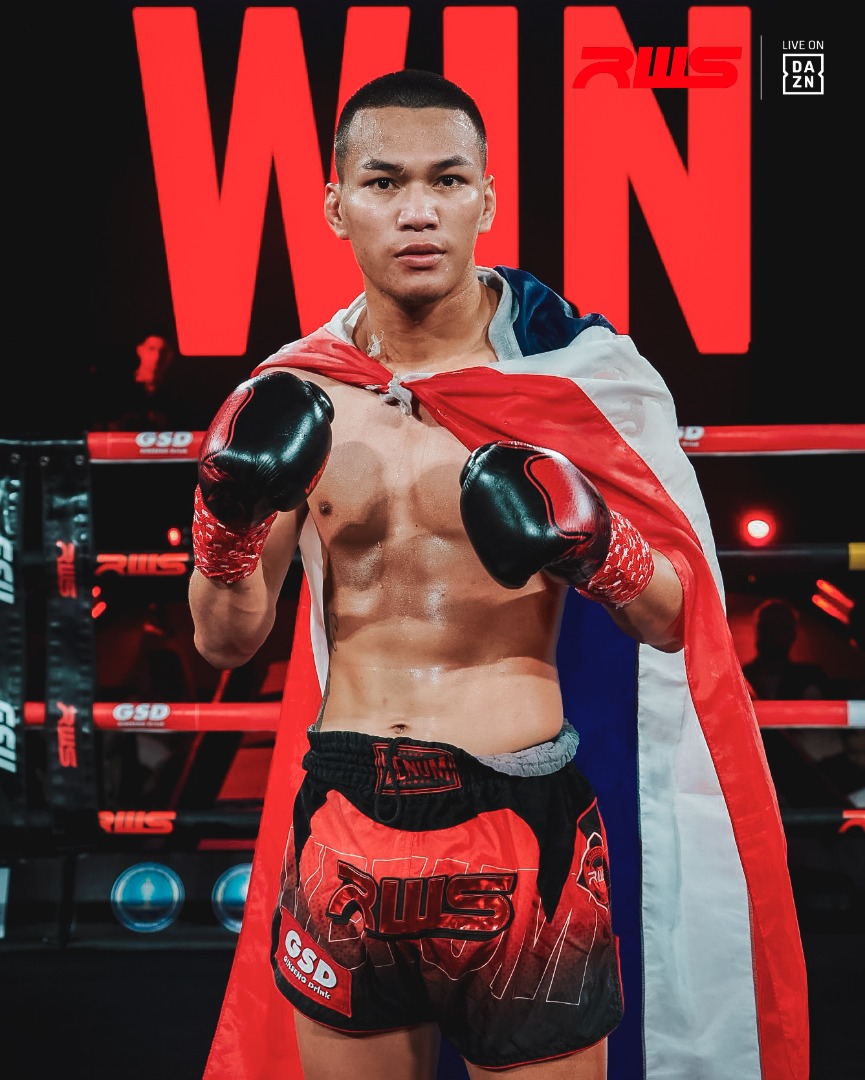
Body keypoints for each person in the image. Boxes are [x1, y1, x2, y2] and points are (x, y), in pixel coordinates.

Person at [191, 71, 808, 1080]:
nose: (418, 210)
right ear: (337, 204)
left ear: (486, 197)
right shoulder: (294, 393)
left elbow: (676, 618)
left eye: (446, 180)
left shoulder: (578, 380)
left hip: (520, 826)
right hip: (344, 817)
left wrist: (593, 544)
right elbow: (226, 642)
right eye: (385, 182)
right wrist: (226, 525)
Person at [87, 325, 185, 432]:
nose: (157, 356)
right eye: (151, 349)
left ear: (171, 354)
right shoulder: (114, 386)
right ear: (140, 350)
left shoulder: (177, 394)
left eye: (163, 351)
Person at [742, 597, 836, 701]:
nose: (773, 636)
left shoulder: (811, 677)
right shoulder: (740, 677)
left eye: (780, 629)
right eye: (767, 628)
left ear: (792, 634)